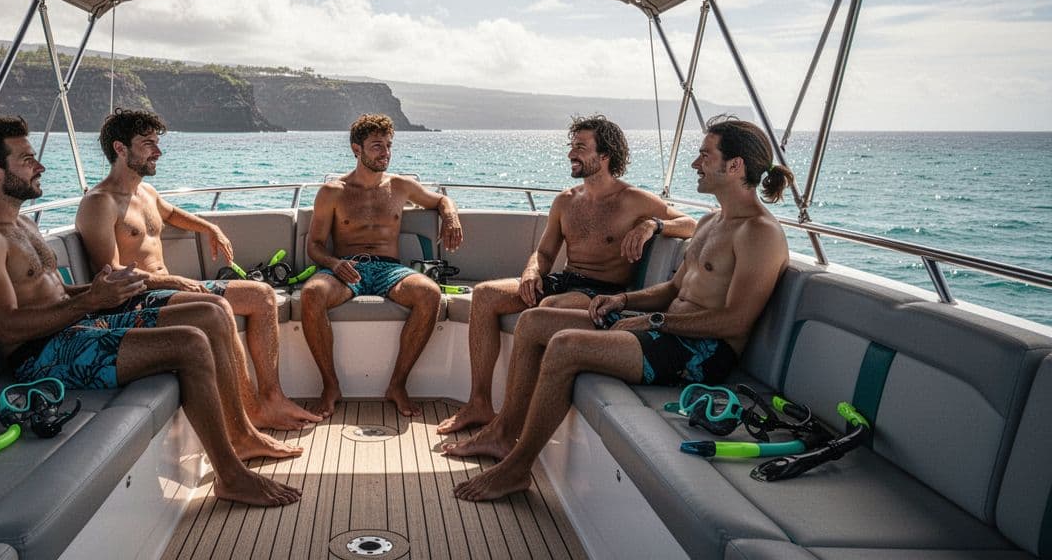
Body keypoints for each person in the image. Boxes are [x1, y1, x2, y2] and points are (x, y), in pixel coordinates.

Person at [0, 117, 301, 507]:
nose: (40, 166)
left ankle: (242, 435)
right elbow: (7, 327)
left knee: (212, 315)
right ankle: (231, 476)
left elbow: (58, 294)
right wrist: (90, 301)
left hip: (76, 325)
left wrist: (98, 293)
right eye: (27, 159)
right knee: (189, 343)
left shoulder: (22, 225)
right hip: (40, 355)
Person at [446, 117, 792, 502]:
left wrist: (656, 319)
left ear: (735, 166)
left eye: (704, 155)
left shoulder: (760, 233)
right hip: (663, 331)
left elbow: (735, 320)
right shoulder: (712, 222)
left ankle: (517, 468)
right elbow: (674, 288)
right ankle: (501, 433)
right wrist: (625, 301)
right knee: (533, 321)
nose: (696, 163)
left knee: (565, 346)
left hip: (703, 351)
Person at [437, 115, 695, 434]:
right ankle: (479, 404)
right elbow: (545, 253)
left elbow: (690, 224)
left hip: (600, 291)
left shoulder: (634, 201)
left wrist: (652, 225)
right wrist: (532, 271)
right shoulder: (565, 201)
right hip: (564, 279)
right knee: (487, 294)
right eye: (572, 146)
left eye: (581, 147)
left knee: (549, 309)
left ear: (605, 156)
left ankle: (514, 421)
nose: (572, 153)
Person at [76, 109, 320, 431]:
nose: (158, 152)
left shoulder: (145, 192)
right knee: (216, 307)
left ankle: (272, 398)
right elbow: (113, 275)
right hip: (135, 300)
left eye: (157, 143)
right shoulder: (100, 203)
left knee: (262, 295)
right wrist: (172, 279)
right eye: (148, 144)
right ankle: (249, 411)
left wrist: (209, 228)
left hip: (167, 289)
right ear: (120, 149)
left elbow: (172, 213)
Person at [301, 113, 464, 418]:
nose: (385, 152)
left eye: (389, 145)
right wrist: (334, 264)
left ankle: (398, 385)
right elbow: (314, 245)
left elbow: (441, 200)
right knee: (312, 294)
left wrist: (451, 217)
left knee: (429, 294)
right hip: (347, 268)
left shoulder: (402, 186)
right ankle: (330, 385)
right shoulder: (333, 192)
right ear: (356, 149)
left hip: (390, 269)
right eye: (377, 145)